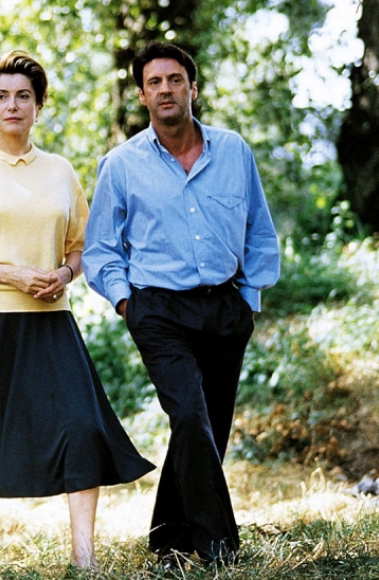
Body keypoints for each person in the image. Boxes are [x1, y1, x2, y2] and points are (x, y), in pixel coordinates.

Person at [0, 50, 154, 572]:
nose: (12, 105)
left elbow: (83, 245)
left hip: (50, 322)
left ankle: (85, 561)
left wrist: (64, 275)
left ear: (39, 104)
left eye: (23, 96)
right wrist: (12, 274)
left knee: (83, 431)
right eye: (2, 96)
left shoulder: (61, 171)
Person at [83, 42, 280, 567]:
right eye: (154, 83)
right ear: (143, 95)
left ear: (193, 88)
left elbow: (259, 228)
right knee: (190, 416)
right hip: (159, 311)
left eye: (175, 80)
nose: (165, 89)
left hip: (225, 307)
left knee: (205, 428)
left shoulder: (234, 150)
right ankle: (219, 549)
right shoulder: (121, 164)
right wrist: (128, 304)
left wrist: (250, 299)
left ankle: (167, 542)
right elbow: (100, 248)